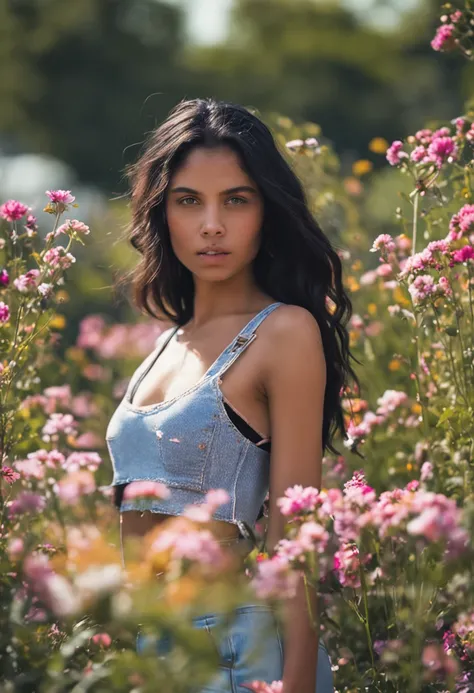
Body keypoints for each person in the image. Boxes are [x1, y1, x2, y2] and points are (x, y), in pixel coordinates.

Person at [106, 97, 358, 693]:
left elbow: (295, 533)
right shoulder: (167, 343)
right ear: (162, 212)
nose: (211, 224)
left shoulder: (283, 333)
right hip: (155, 646)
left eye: (236, 200)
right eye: (188, 200)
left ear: (266, 212)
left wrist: (296, 682)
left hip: (238, 646)